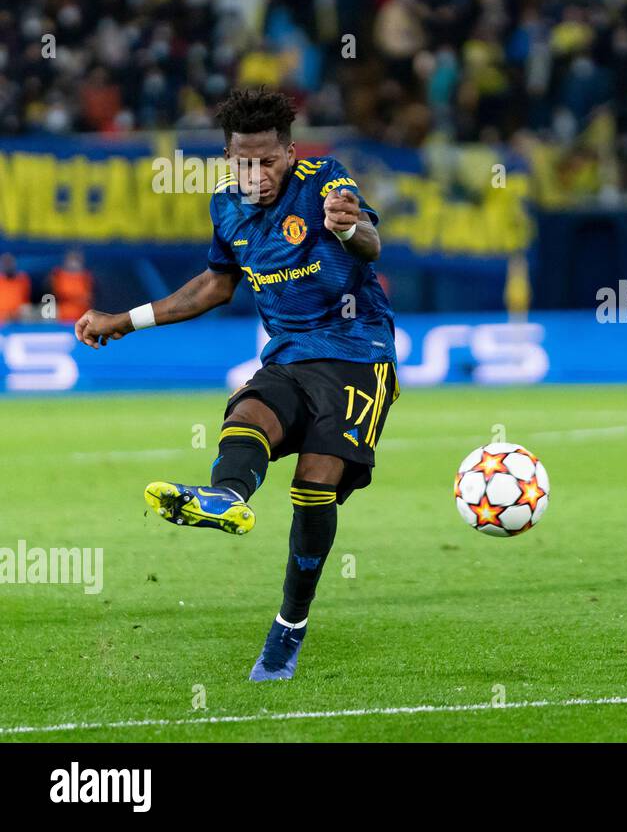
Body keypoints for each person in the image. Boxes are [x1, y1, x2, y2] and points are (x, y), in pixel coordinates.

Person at [73, 88, 399, 680]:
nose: (255, 174)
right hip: (290, 357)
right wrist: (126, 320)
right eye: (242, 161)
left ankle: (288, 629)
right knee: (248, 412)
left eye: (268, 161)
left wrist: (349, 229)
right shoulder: (226, 207)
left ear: (291, 153)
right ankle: (226, 497)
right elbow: (215, 286)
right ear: (227, 158)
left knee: (314, 486)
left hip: (358, 354)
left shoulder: (326, 181)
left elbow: (370, 244)